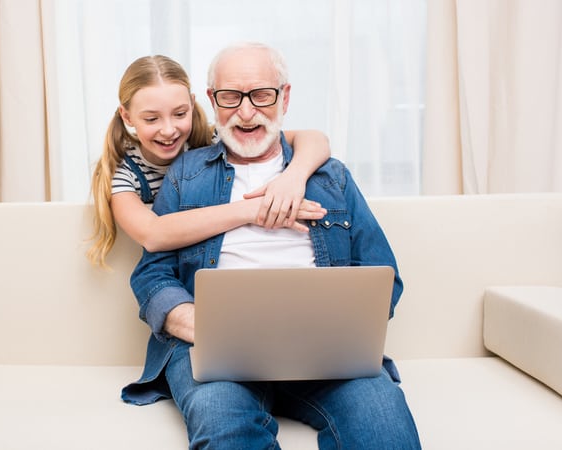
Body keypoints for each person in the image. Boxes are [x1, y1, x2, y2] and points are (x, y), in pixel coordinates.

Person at [123, 42, 421, 449]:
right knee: (223, 425)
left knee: (383, 421)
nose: (247, 112)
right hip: (216, 354)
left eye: (262, 94)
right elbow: (151, 273)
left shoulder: (329, 177)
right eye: (231, 97)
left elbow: (384, 275)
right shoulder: (185, 174)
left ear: (285, 96)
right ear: (212, 101)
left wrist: (342, 327)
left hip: (326, 356)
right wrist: (196, 323)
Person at [88, 55, 332, 267]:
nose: (169, 129)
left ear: (193, 104)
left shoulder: (211, 138)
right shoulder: (121, 171)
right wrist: (254, 209)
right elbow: (153, 234)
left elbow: (313, 138)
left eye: (180, 114)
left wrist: (293, 178)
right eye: (152, 119)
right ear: (127, 116)